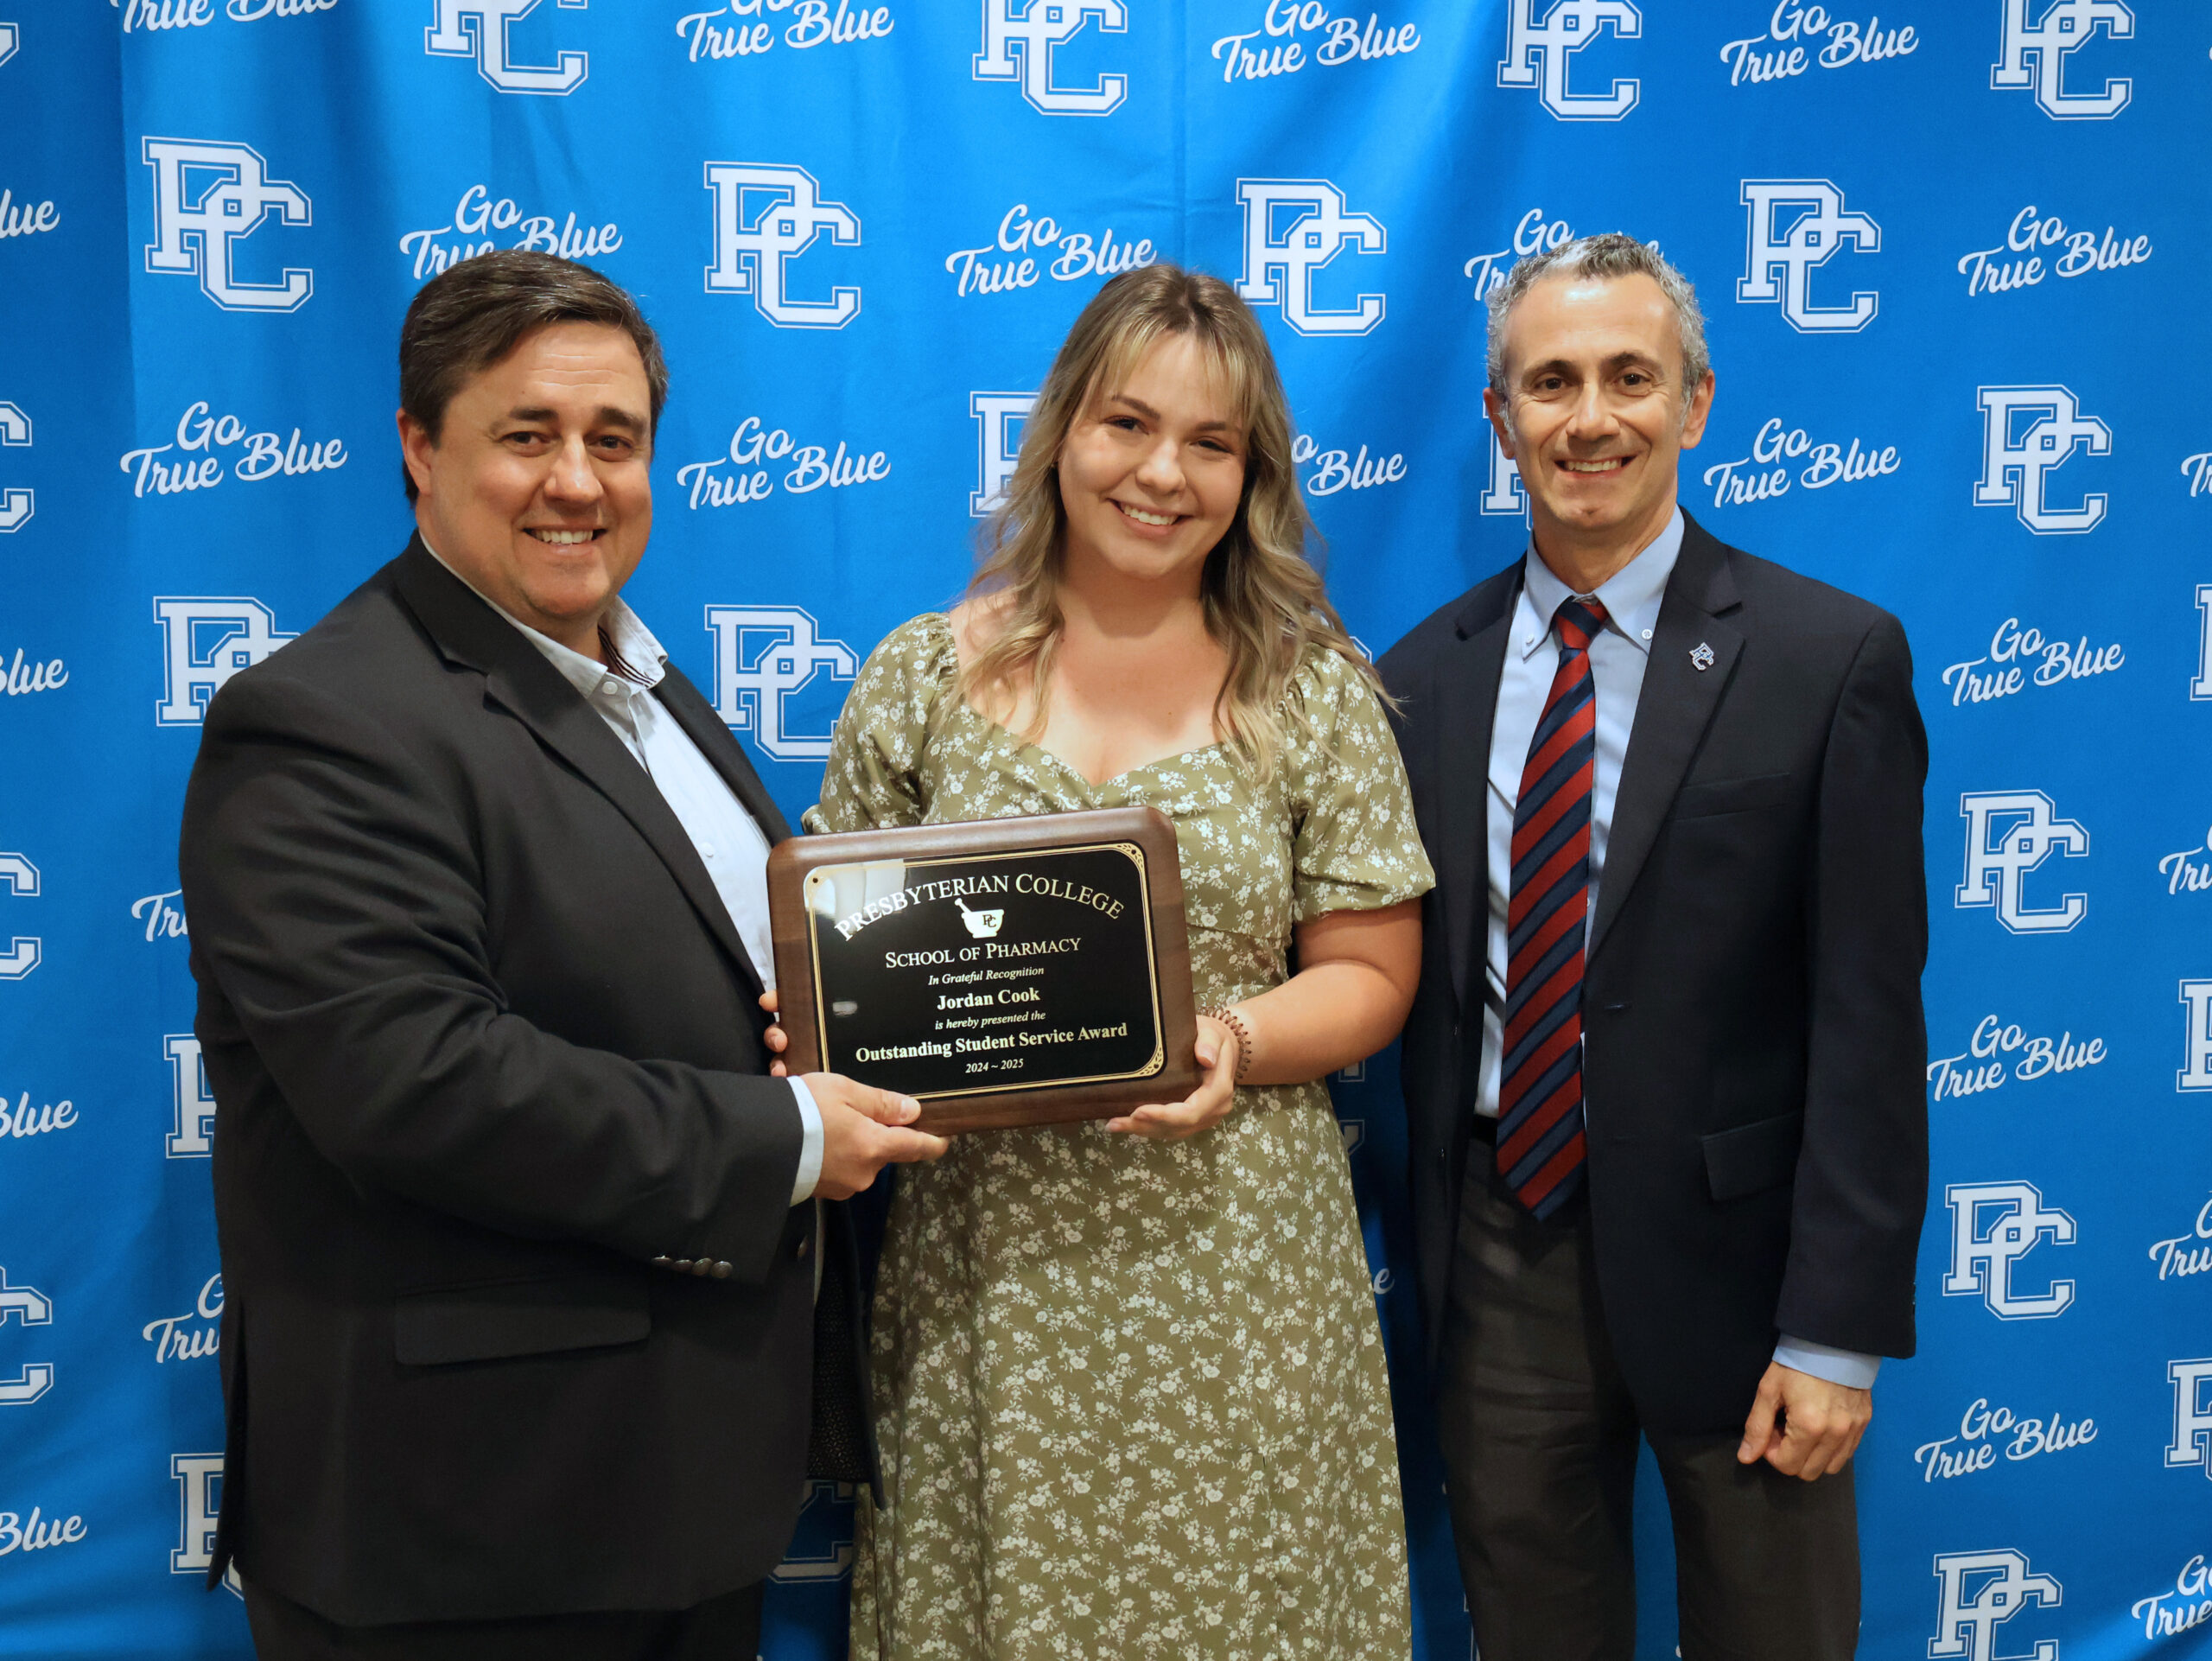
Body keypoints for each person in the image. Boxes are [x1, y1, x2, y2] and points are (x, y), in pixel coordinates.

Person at [176, 251, 946, 1659]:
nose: (577, 482)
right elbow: (412, 1082)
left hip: (672, 1497)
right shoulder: (322, 721)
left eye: (616, 439)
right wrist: (778, 1130)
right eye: (526, 435)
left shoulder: (641, 688)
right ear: (418, 446)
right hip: (473, 1534)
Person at [798, 264, 1433, 1658]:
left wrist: (1239, 1043)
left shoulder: (1314, 692)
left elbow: (1375, 974)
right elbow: (828, 962)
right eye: (1127, 424)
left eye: (1212, 443)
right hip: (991, 1281)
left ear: (1252, 473)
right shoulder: (916, 675)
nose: (1163, 473)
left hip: (1238, 1273)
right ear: (1060, 436)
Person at [1378, 233, 1928, 1660]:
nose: (1590, 417)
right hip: (1502, 1254)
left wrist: (1833, 1334)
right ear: (1500, 421)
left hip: (1749, 1277)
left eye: (1631, 376)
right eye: (1549, 383)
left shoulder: (1829, 657)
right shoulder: (1418, 677)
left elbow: (1871, 1023)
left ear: (1696, 402)